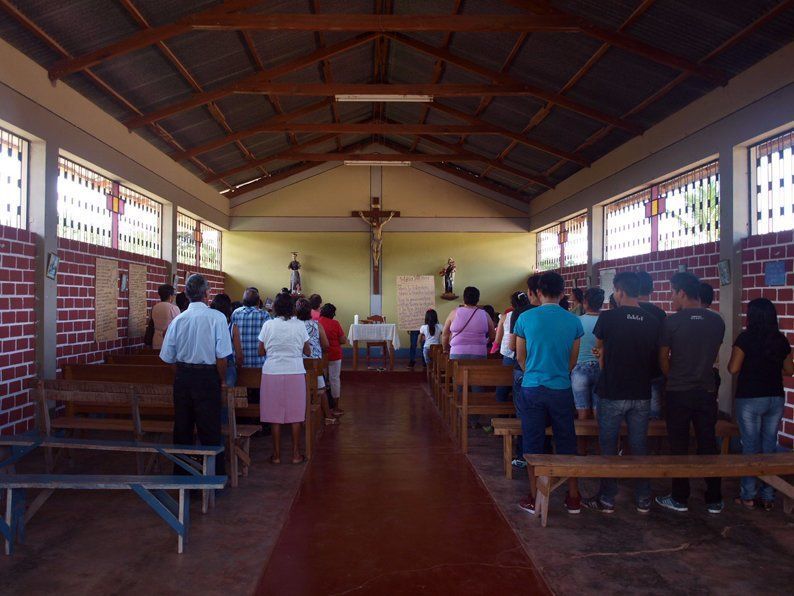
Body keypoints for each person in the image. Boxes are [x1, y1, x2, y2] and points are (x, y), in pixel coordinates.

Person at [582, 273, 660, 514]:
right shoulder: (651, 319)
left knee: (608, 446)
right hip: (641, 391)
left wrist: (604, 359)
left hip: (613, 389)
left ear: (620, 291)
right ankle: (643, 498)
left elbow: (599, 349)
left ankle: (607, 498)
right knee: (639, 445)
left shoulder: (609, 318)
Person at [514, 271, 584, 515]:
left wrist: (534, 372)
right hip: (561, 389)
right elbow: (572, 361)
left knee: (533, 444)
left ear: (539, 292)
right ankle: (573, 497)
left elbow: (520, 356)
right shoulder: (573, 321)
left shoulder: (525, 318)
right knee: (566, 440)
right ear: (563, 293)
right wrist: (557, 373)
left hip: (532, 388)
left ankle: (535, 498)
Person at [656, 272, 725, 514]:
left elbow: (663, 357)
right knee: (708, 442)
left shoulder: (672, 322)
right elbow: (712, 354)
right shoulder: (717, 321)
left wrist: (672, 376)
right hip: (706, 390)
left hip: (678, 391)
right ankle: (714, 498)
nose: (672, 297)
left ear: (682, 292)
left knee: (679, 444)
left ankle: (679, 497)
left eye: (673, 293)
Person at [160, 274, 231, 477]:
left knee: (182, 429)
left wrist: (183, 373)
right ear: (207, 294)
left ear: (187, 295)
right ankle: (213, 479)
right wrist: (222, 380)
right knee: (210, 430)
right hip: (207, 378)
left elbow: (167, 358)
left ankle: (183, 478)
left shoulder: (178, 320)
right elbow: (222, 358)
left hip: (183, 378)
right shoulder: (217, 318)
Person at [727, 298, 793, 510]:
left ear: (751, 316)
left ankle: (747, 495)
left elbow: (733, 368)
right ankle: (768, 497)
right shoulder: (780, 340)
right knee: (769, 446)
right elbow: (790, 370)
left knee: (750, 446)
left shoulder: (745, 339)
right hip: (775, 396)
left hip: (750, 397)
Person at [258, 293, 311, 464]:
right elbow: (308, 351)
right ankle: (296, 454)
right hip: (295, 371)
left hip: (272, 371)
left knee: (274, 416)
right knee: (295, 415)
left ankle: (276, 455)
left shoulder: (268, 325)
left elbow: (261, 351)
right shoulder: (300, 325)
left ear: (275, 308)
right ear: (293, 307)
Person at [295, 298, 337, 426]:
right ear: (310, 311)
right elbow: (325, 345)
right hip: (314, 363)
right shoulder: (316, 324)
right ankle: (328, 417)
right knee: (321, 390)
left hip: (296, 363)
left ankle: (299, 416)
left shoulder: (293, 325)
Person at [571, 288, 604, 420]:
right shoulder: (606, 320)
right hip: (601, 368)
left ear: (585, 302)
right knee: (599, 412)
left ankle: (582, 441)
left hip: (579, 368)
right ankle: (599, 441)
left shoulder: (576, 321)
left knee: (582, 412)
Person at [637, 270, 666, 420]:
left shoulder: (623, 312)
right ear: (652, 290)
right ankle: (654, 444)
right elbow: (663, 344)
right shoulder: (660, 314)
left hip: (631, 372)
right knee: (654, 414)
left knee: (632, 416)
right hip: (654, 368)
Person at [231, 288, 271, 393]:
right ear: (258, 302)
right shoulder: (264, 315)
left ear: (243, 301)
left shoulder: (236, 314)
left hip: (240, 367)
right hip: (260, 367)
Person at [441, 286, 495, 360]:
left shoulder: (454, 313)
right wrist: (484, 342)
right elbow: (492, 335)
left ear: (464, 299)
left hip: (457, 353)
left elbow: (445, 334)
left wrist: (445, 349)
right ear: (478, 299)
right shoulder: (485, 314)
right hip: (479, 353)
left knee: (457, 372)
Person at [319, 303, 347, 415]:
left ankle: (324, 407)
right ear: (332, 313)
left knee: (322, 381)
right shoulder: (335, 323)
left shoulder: (317, 322)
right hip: (334, 355)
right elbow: (343, 340)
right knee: (334, 379)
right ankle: (335, 407)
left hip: (321, 356)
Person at [210, 293, 236, 387]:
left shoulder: (209, 323)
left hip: (210, 363)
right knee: (226, 396)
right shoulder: (232, 326)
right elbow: (238, 353)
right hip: (227, 364)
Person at [151, 284, 180, 349]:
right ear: (170, 296)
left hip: (156, 339)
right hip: (169, 340)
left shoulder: (155, 307)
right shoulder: (174, 308)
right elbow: (179, 325)